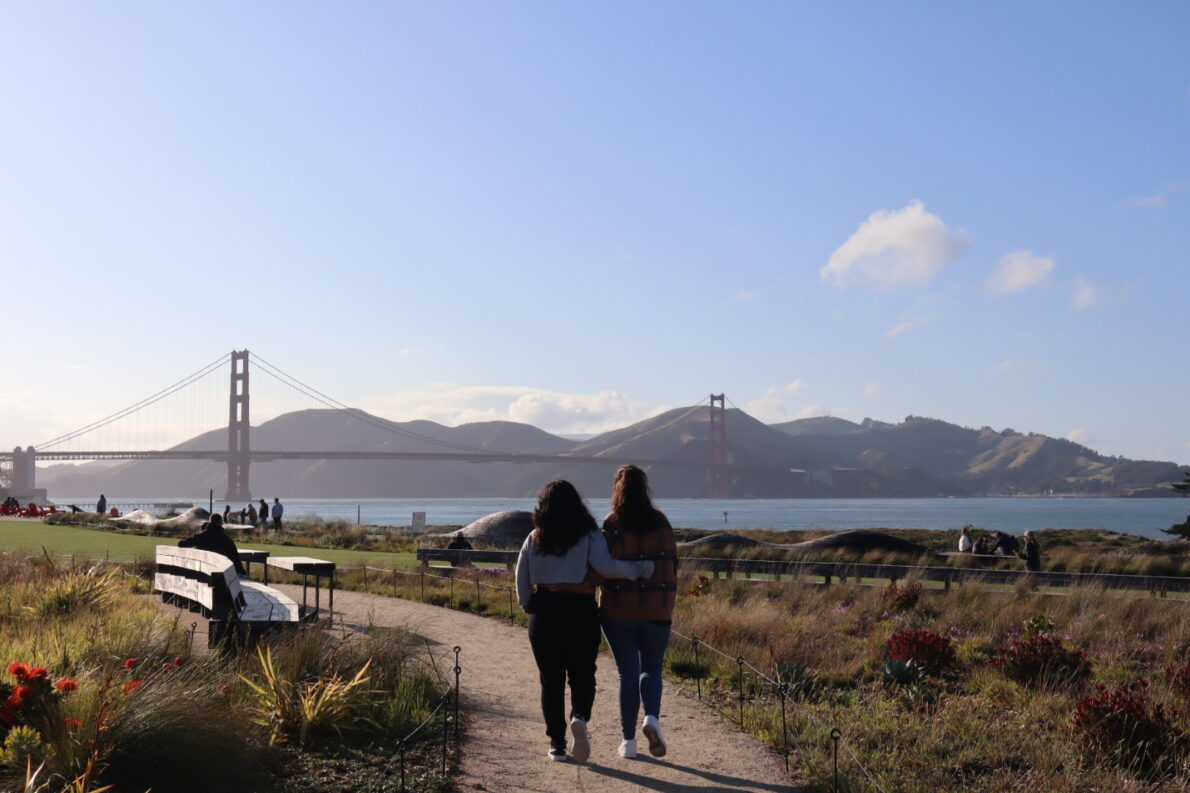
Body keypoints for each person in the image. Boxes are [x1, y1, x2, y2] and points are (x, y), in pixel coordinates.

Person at [515, 480, 653, 764]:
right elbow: (607, 567)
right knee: (583, 674)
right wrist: (641, 568)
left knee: (550, 681)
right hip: (580, 610)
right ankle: (579, 716)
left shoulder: (534, 536)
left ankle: (556, 744)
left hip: (544, 612)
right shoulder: (589, 534)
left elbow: (522, 576)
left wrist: (530, 604)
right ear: (577, 503)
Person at [598, 464, 678, 760]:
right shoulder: (662, 523)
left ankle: (628, 742)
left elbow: (602, 569)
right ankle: (652, 719)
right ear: (645, 489)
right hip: (658, 609)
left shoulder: (612, 524)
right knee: (652, 668)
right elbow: (673, 565)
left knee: (627, 674)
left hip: (618, 611)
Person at [178, 514, 245, 575]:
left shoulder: (199, 536)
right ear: (220, 523)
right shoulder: (227, 540)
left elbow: (181, 544)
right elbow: (235, 559)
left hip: (202, 572)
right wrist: (242, 572)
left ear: (210, 522)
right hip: (220, 574)